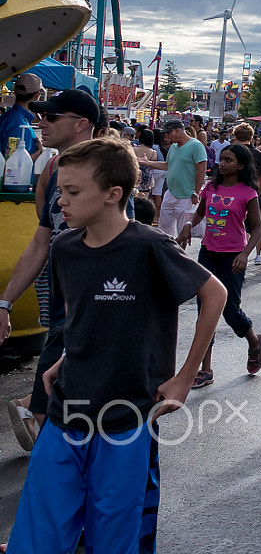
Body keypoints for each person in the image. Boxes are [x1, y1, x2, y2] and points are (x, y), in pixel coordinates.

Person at [1, 137, 226, 554]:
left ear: (112, 194)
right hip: (65, 408)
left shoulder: (149, 245)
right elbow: (85, 317)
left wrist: (184, 377)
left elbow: (215, 293)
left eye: (72, 192)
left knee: (112, 536)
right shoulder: (65, 248)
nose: (61, 203)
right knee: (38, 534)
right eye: (60, 192)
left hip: (127, 418)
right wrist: (66, 355)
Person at [0, 88, 100, 452]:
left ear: (81, 124)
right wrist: (5, 303)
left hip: (90, 300)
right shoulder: (56, 168)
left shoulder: (105, 171)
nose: (41, 122)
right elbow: (41, 241)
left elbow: (124, 243)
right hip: (62, 295)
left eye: (52, 117)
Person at [181, 142, 261, 385]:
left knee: (230, 311)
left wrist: (245, 254)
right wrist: (188, 226)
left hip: (233, 257)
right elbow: (200, 213)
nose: (223, 163)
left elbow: (257, 228)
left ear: (240, 165)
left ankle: (253, 341)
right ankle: (205, 370)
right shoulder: (211, 187)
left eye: (229, 160)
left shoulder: (248, 192)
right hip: (208, 253)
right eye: (222, 159)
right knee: (205, 312)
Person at [149, 118, 208, 245]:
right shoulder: (174, 147)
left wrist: (195, 192)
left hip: (186, 195)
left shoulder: (196, 146)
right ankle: (165, 251)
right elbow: (167, 165)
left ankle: (179, 255)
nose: (167, 136)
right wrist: (147, 163)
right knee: (164, 227)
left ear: (177, 131)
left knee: (183, 231)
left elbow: (201, 170)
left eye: (168, 133)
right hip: (171, 192)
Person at [0, 72, 43, 160]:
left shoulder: (7, 117)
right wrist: (37, 153)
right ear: (37, 95)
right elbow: (13, 163)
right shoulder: (20, 125)